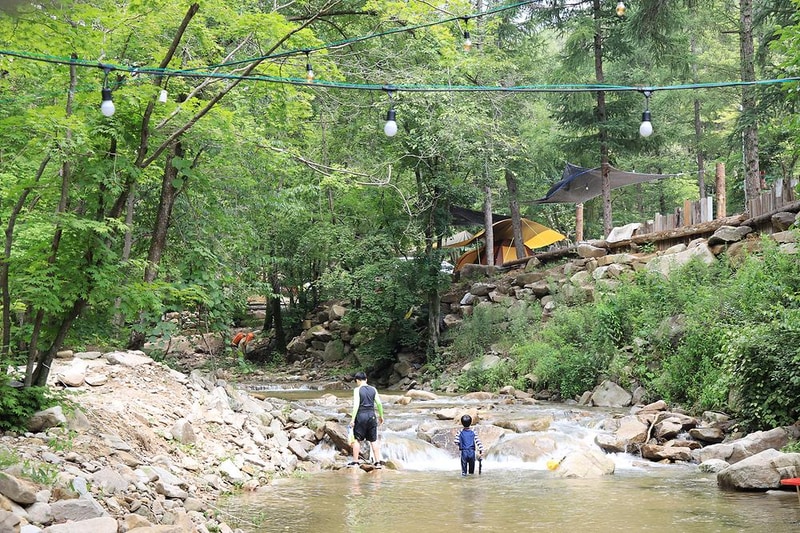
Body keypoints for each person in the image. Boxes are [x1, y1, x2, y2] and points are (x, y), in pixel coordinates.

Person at [348, 371, 384, 466]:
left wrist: (352, 419)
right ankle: (377, 462)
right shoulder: (373, 389)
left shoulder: (357, 390)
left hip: (361, 416)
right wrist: (381, 416)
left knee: (357, 440)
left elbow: (356, 405)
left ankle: (355, 462)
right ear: (366, 379)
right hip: (372, 415)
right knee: (373, 440)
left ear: (357, 380)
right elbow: (379, 404)